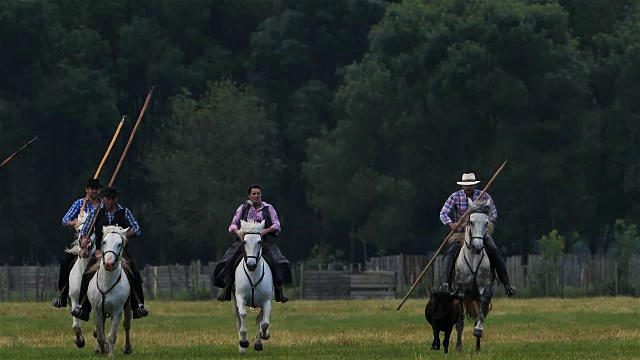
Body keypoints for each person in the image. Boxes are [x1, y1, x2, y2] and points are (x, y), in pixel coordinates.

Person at [70, 186, 149, 321]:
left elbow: (137, 229)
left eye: (112, 199)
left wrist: (123, 235)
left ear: (116, 199)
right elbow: (85, 230)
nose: (109, 202)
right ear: (104, 199)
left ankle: (138, 306)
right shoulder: (96, 213)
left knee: (134, 272)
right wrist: (84, 238)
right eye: (107, 199)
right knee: (87, 274)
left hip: (121, 252)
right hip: (101, 251)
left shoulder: (124, 212)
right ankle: (82, 307)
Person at [439, 173, 516, 297]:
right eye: (466, 185)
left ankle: (507, 284)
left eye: (470, 185)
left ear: (474, 185)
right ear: (463, 186)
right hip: (461, 234)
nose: (468, 187)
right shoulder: (455, 196)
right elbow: (443, 213)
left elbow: (494, 213)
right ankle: (446, 283)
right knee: (451, 251)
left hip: (480, 233)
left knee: (494, 250)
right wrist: (451, 224)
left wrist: (483, 218)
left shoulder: (484, 196)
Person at [213, 184, 292, 303]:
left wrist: (265, 231)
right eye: (254, 194)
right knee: (228, 260)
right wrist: (238, 232)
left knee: (278, 261)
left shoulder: (268, 208)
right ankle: (226, 289)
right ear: (249, 195)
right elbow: (232, 225)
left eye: (258, 193)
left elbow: (277, 225)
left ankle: (279, 291)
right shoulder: (242, 208)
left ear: (261, 195)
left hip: (263, 241)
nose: (256, 196)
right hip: (245, 241)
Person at [51, 178, 103, 308]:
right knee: (65, 263)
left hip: (100, 242)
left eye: (96, 189)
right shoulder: (80, 204)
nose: (94, 191)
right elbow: (65, 220)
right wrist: (73, 222)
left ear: (99, 190)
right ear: (87, 190)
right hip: (81, 241)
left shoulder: (103, 205)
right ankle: (63, 295)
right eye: (91, 189)